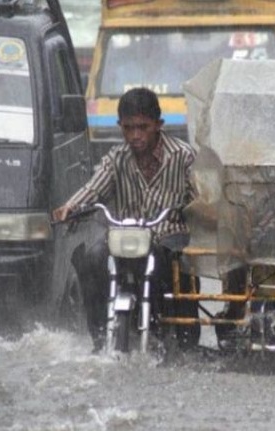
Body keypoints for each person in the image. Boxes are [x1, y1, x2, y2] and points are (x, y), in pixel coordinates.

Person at [52, 87, 199, 352]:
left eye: (143, 127)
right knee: (92, 257)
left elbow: (201, 199)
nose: (136, 135)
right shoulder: (116, 158)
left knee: (176, 265)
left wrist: (198, 210)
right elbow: (94, 188)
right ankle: (99, 339)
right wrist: (70, 207)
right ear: (120, 126)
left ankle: (176, 335)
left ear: (158, 125)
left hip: (167, 238)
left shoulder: (183, 156)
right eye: (128, 128)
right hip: (124, 237)